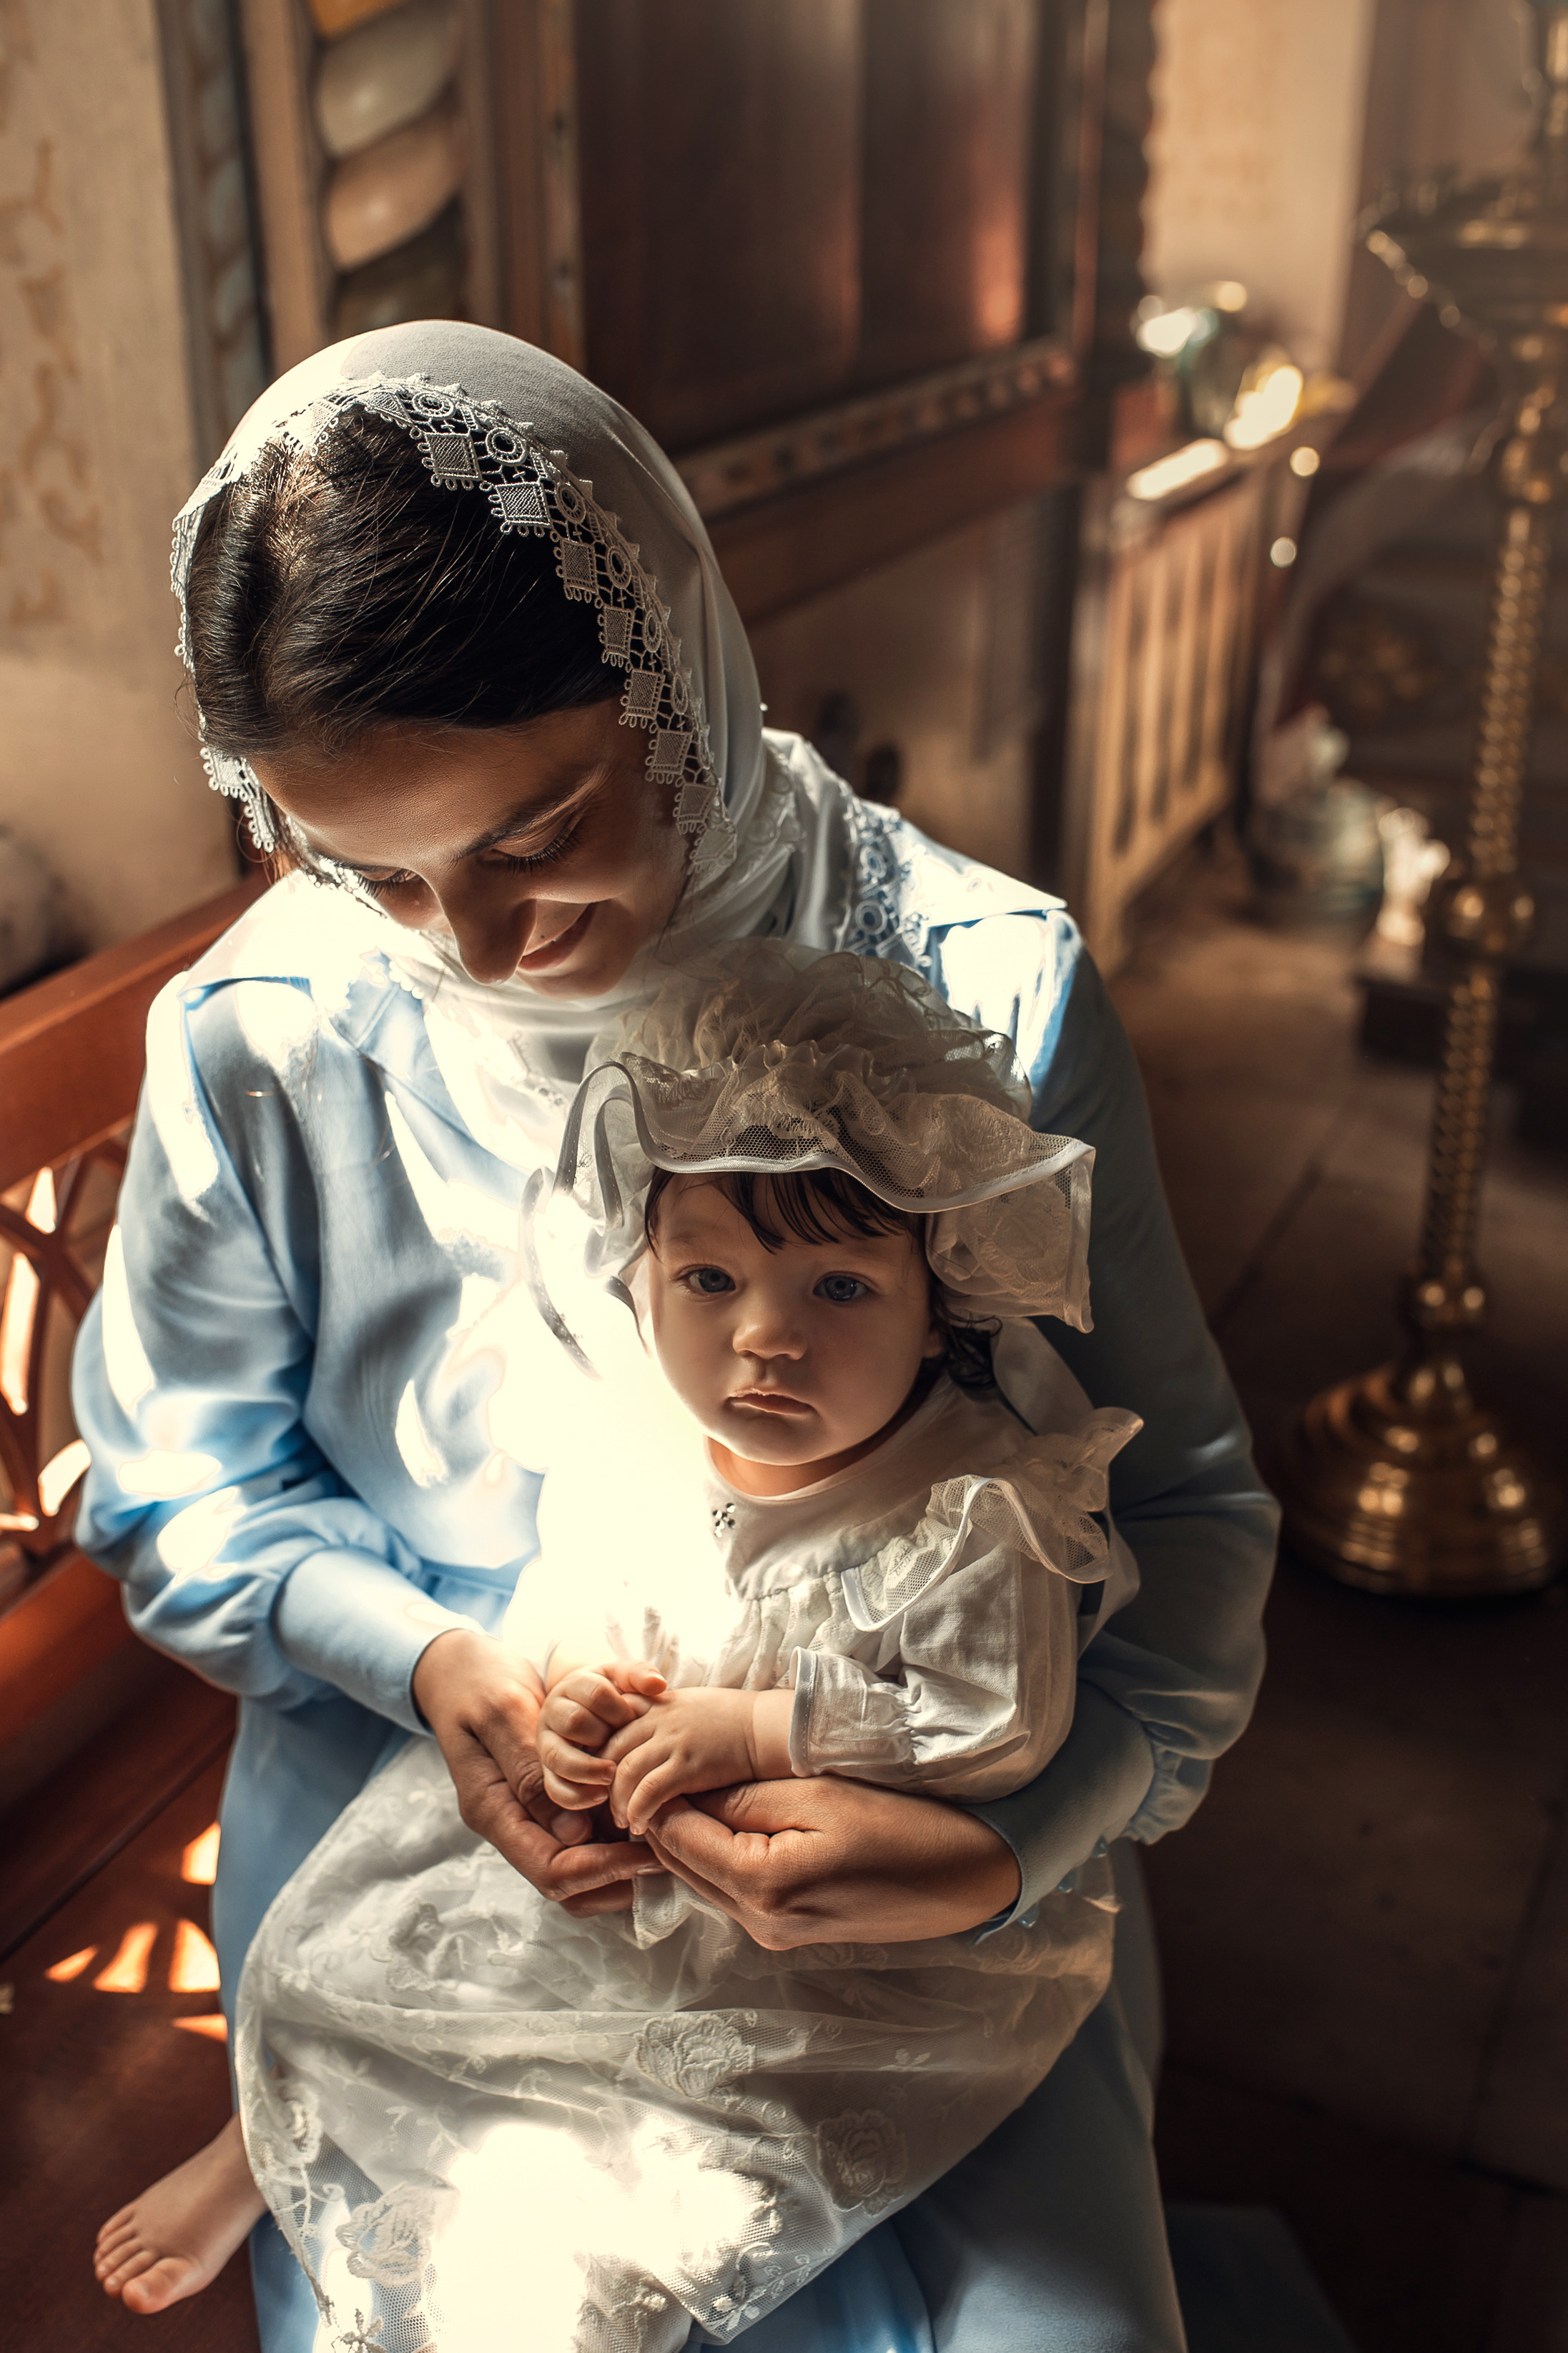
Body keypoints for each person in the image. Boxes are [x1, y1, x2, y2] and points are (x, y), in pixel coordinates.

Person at [75, 322, 1276, 2352]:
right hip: (417, 1809)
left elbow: (1187, 1520)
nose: (465, 944)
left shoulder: (975, 994)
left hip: (908, 1813)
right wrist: (435, 1658)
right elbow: (181, 1490)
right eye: (364, 867)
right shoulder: (275, 1037)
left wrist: (999, 1850)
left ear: (680, 673)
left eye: (534, 837)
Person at [235, 942, 1142, 2351]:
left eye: (838, 1288)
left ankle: (607, 2292)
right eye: (708, 1276)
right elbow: (576, 1594)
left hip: (838, 1938)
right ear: (637, 1272)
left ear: (939, 1295)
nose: (762, 1337)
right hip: (645, 1862)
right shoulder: (639, 1442)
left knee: (676, 2157)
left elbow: (996, 1720)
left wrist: (762, 1729)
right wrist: (578, 1694)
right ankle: (260, 2148)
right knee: (349, 1964)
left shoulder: (970, 1505)